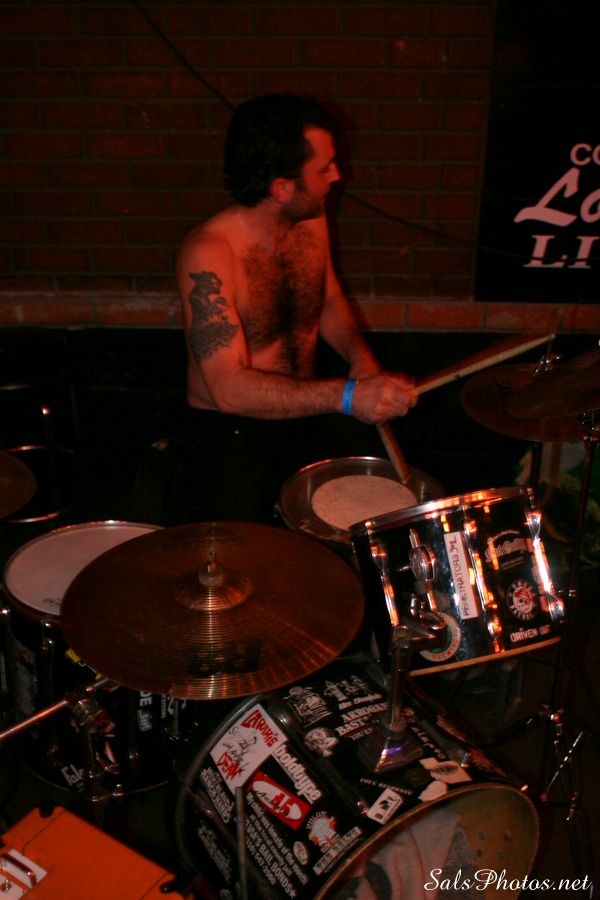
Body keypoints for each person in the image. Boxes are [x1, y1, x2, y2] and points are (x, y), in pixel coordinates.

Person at [175, 93, 417, 524]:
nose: (337, 175)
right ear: (281, 188)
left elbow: (328, 299)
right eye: (324, 168)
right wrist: (347, 396)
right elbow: (227, 390)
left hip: (305, 409)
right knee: (251, 557)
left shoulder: (310, 218)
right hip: (233, 431)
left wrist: (360, 358)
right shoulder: (209, 253)